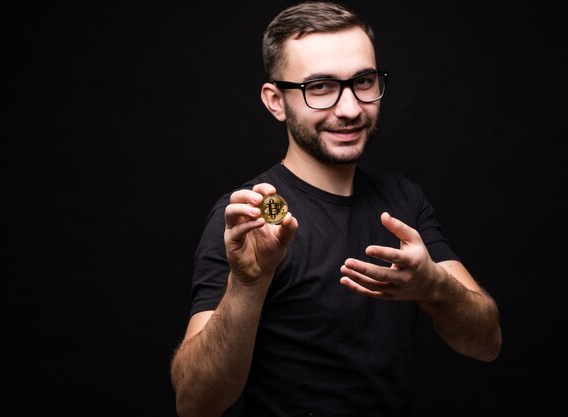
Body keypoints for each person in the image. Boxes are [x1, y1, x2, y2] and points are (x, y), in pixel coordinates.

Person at [170, 1, 502, 416]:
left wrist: (434, 286)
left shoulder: (402, 201)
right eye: (320, 87)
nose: (349, 109)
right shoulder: (247, 217)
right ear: (276, 101)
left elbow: (487, 344)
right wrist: (248, 283)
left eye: (363, 81)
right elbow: (194, 403)